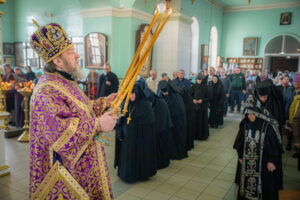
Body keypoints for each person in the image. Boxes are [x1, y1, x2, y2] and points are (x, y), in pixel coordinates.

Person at [29, 22, 118, 200]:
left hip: (82, 167)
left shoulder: (65, 81)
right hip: (66, 173)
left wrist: (104, 102)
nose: (78, 55)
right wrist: (98, 123)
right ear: (57, 60)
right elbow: (59, 132)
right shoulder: (46, 90)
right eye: (71, 52)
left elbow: (82, 109)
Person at [234, 94, 283, 200]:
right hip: (247, 162)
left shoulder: (267, 126)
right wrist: (240, 155)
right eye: (248, 113)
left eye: (252, 113)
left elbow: (274, 146)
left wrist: (272, 160)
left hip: (264, 164)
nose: (250, 116)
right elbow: (240, 142)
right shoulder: (245, 124)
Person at [114, 84, 157, 183]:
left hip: (141, 137)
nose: (131, 96)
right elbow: (120, 120)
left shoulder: (145, 104)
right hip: (127, 136)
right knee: (128, 156)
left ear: (137, 93)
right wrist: (119, 134)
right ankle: (127, 175)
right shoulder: (124, 103)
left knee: (139, 155)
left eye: (133, 94)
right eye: (129, 94)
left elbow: (150, 123)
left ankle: (141, 175)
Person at [144, 88, 173, 169]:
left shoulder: (159, 104)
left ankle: (161, 163)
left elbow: (157, 121)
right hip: (161, 128)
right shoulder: (156, 101)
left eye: (149, 103)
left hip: (162, 129)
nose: (149, 104)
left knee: (161, 147)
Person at [158, 80, 188, 159]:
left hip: (177, 122)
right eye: (163, 93)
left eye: (166, 92)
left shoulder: (176, 97)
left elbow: (178, 111)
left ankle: (178, 153)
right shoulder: (160, 95)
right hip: (168, 123)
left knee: (177, 137)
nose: (165, 94)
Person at [190, 74, 209, 140]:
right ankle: (195, 135)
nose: (198, 81)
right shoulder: (194, 86)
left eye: (200, 80)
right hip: (195, 106)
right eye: (197, 79)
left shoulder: (205, 87)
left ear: (202, 80)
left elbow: (208, 97)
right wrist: (193, 99)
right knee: (195, 121)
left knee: (202, 121)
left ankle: (201, 136)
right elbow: (190, 95)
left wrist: (202, 100)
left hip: (202, 107)